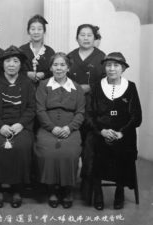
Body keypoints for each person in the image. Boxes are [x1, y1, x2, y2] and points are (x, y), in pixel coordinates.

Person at [89, 52, 142, 210]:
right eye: (108, 65)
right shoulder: (97, 86)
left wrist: (121, 133)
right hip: (100, 132)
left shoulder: (130, 87)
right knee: (95, 151)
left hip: (123, 134)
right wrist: (102, 131)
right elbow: (90, 114)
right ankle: (98, 192)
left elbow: (136, 117)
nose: (112, 69)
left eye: (116, 65)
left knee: (123, 151)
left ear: (123, 68)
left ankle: (120, 191)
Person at [0, 46, 36, 208]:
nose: (12, 64)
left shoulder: (27, 83)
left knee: (22, 146)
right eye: (8, 61)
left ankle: (17, 188)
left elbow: (31, 108)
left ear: (21, 65)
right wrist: (0, 126)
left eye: (16, 61)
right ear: (2, 64)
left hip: (21, 126)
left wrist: (20, 124)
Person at [35, 52, 85, 209]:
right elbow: (40, 110)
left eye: (62, 65)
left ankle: (68, 189)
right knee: (47, 152)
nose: (59, 68)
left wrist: (69, 128)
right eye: (55, 65)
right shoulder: (43, 85)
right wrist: (52, 128)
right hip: (48, 128)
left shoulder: (77, 88)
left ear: (68, 68)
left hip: (70, 129)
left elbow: (80, 113)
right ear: (50, 67)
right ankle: (52, 190)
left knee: (69, 152)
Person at [67, 24, 106, 203]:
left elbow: (107, 83)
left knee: (91, 143)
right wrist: (77, 88)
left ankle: (88, 183)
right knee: (72, 141)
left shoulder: (102, 57)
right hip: (72, 107)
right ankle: (66, 183)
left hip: (93, 107)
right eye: (82, 35)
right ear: (77, 38)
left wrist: (90, 87)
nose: (85, 38)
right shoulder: (70, 57)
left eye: (89, 35)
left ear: (94, 38)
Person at [20, 14, 55, 84]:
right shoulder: (21, 50)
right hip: (24, 89)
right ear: (28, 31)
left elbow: (54, 70)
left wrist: (44, 74)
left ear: (44, 31)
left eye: (39, 29)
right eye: (33, 29)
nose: (36, 32)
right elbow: (15, 70)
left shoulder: (50, 51)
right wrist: (26, 74)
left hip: (45, 91)